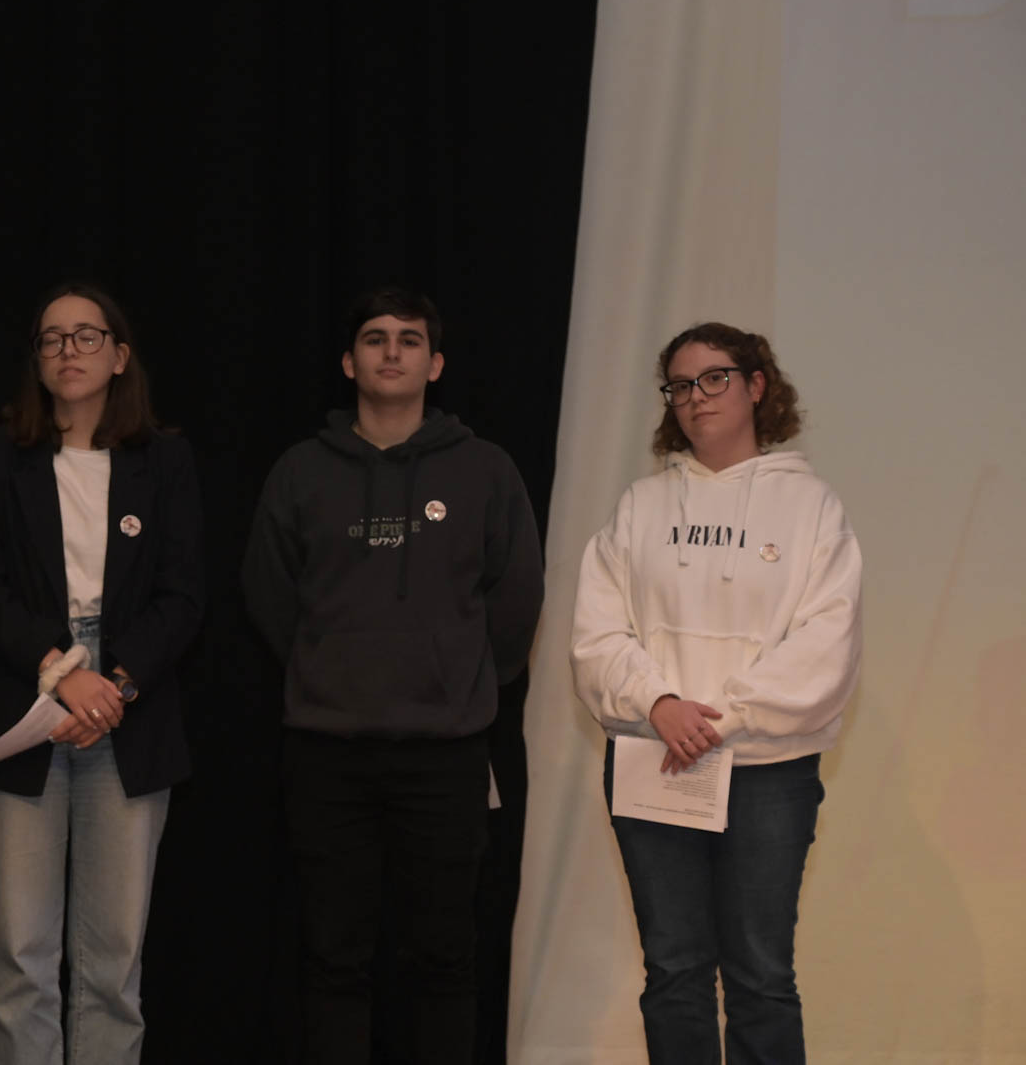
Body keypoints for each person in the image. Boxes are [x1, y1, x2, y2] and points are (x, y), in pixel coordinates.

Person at [241, 286, 544, 1064]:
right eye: (374, 338)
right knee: (332, 954)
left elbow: (515, 601)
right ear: (349, 362)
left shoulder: (484, 470)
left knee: (443, 956)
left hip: (445, 755)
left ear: (434, 364)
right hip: (326, 753)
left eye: (409, 340)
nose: (390, 352)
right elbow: (269, 597)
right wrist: (329, 669)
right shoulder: (301, 471)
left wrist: (458, 679)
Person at [570, 322, 862, 1064]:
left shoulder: (811, 506)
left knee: (761, 977)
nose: (696, 396)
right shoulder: (640, 505)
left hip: (768, 773)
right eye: (679, 385)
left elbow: (826, 643)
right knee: (674, 973)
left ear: (756, 385)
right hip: (654, 761)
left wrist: (720, 719)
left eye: (714, 378)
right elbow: (597, 633)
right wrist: (658, 705)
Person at [0, 282, 204, 1064]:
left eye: (86, 335)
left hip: (129, 709)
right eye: (52, 338)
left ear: (119, 356)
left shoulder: (164, 459)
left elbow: (183, 596)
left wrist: (112, 689)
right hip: (18, 699)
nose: (68, 350)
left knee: (112, 966)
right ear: (36, 359)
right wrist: (63, 672)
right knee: (20, 961)